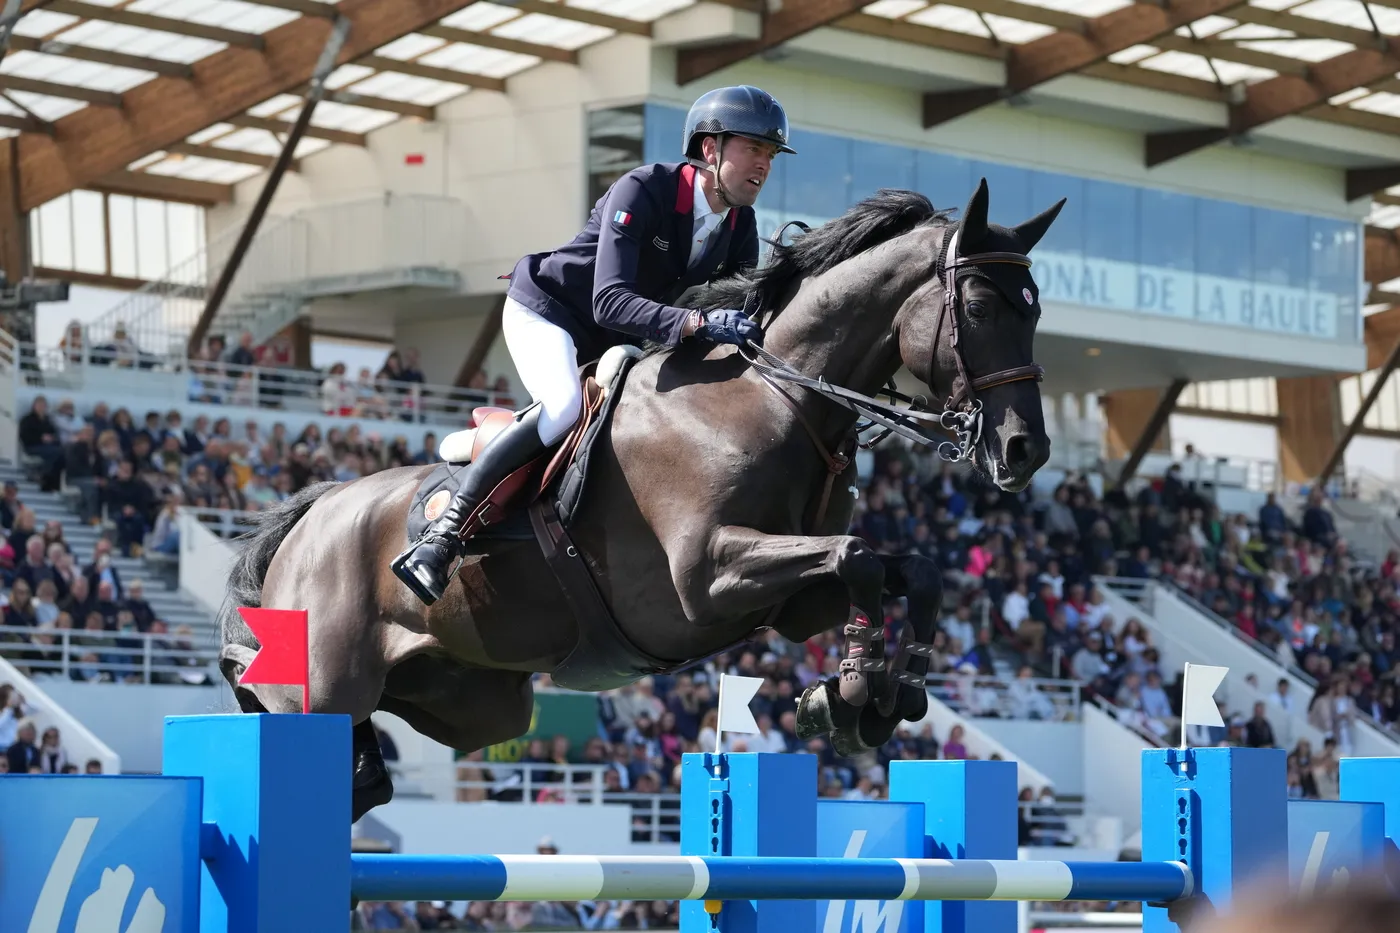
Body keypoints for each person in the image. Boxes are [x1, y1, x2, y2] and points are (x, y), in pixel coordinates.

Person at [392, 85, 796, 605]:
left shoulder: (740, 223)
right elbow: (609, 301)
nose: (763, 165)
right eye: (753, 149)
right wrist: (698, 322)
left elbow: (731, 310)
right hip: (551, 311)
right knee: (561, 410)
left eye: (769, 155)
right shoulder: (643, 190)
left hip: (617, 340)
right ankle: (441, 538)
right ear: (711, 149)